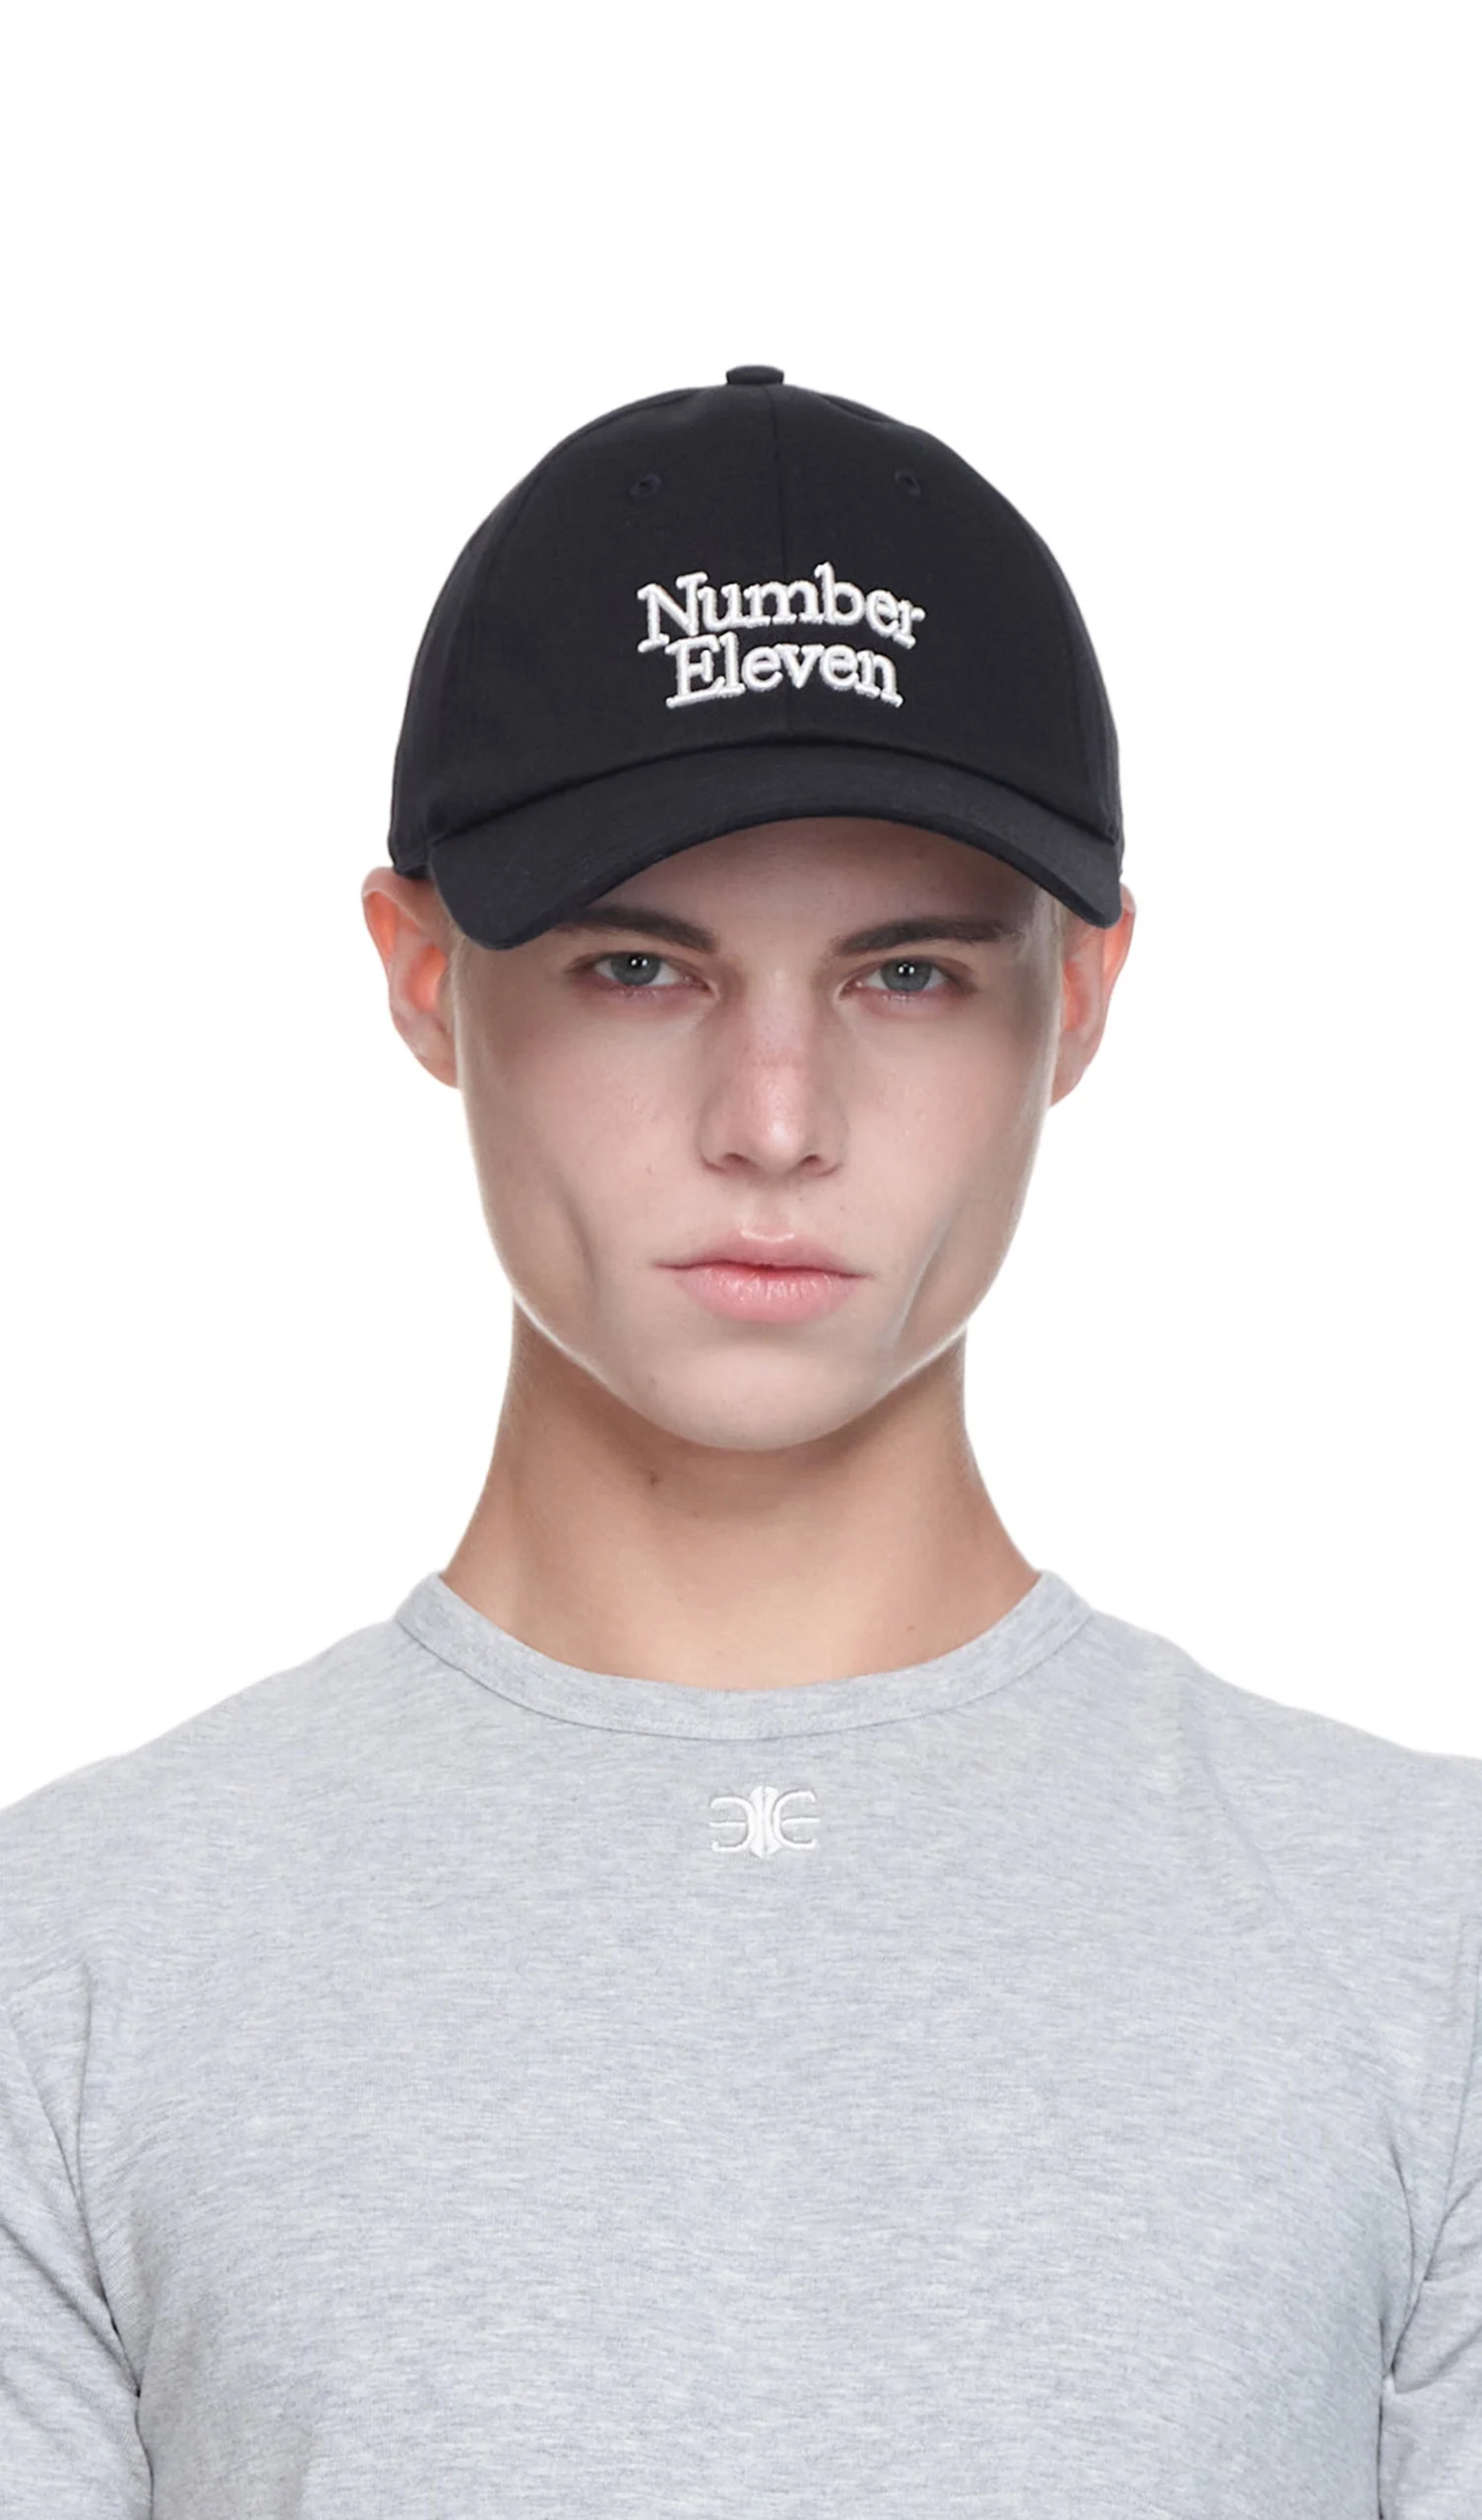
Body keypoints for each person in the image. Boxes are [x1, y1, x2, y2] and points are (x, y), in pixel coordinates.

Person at [1, 368, 1477, 2519]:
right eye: (638, 965)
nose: (773, 1122)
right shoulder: (67, 1973)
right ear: (419, 974)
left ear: (1080, 998)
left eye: (904, 976)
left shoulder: (1429, 1950)